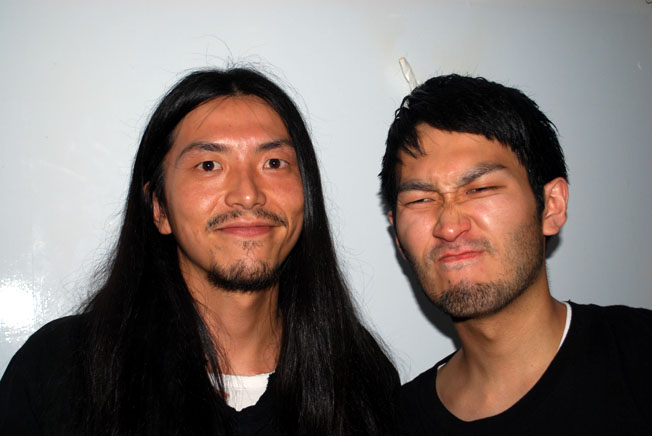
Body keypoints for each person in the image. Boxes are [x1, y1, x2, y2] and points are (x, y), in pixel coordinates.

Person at [0, 68, 399, 436]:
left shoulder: (360, 376)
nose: (248, 194)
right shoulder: (60, 370)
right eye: (209, 165)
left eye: (274, 163)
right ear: (159, 208)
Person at [379, 74, 652, 434]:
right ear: (398, 236)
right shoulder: (390, 422)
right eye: (421, 200)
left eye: (480, 189)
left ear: (551, 206)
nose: (449, 226)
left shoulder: (641, 356)